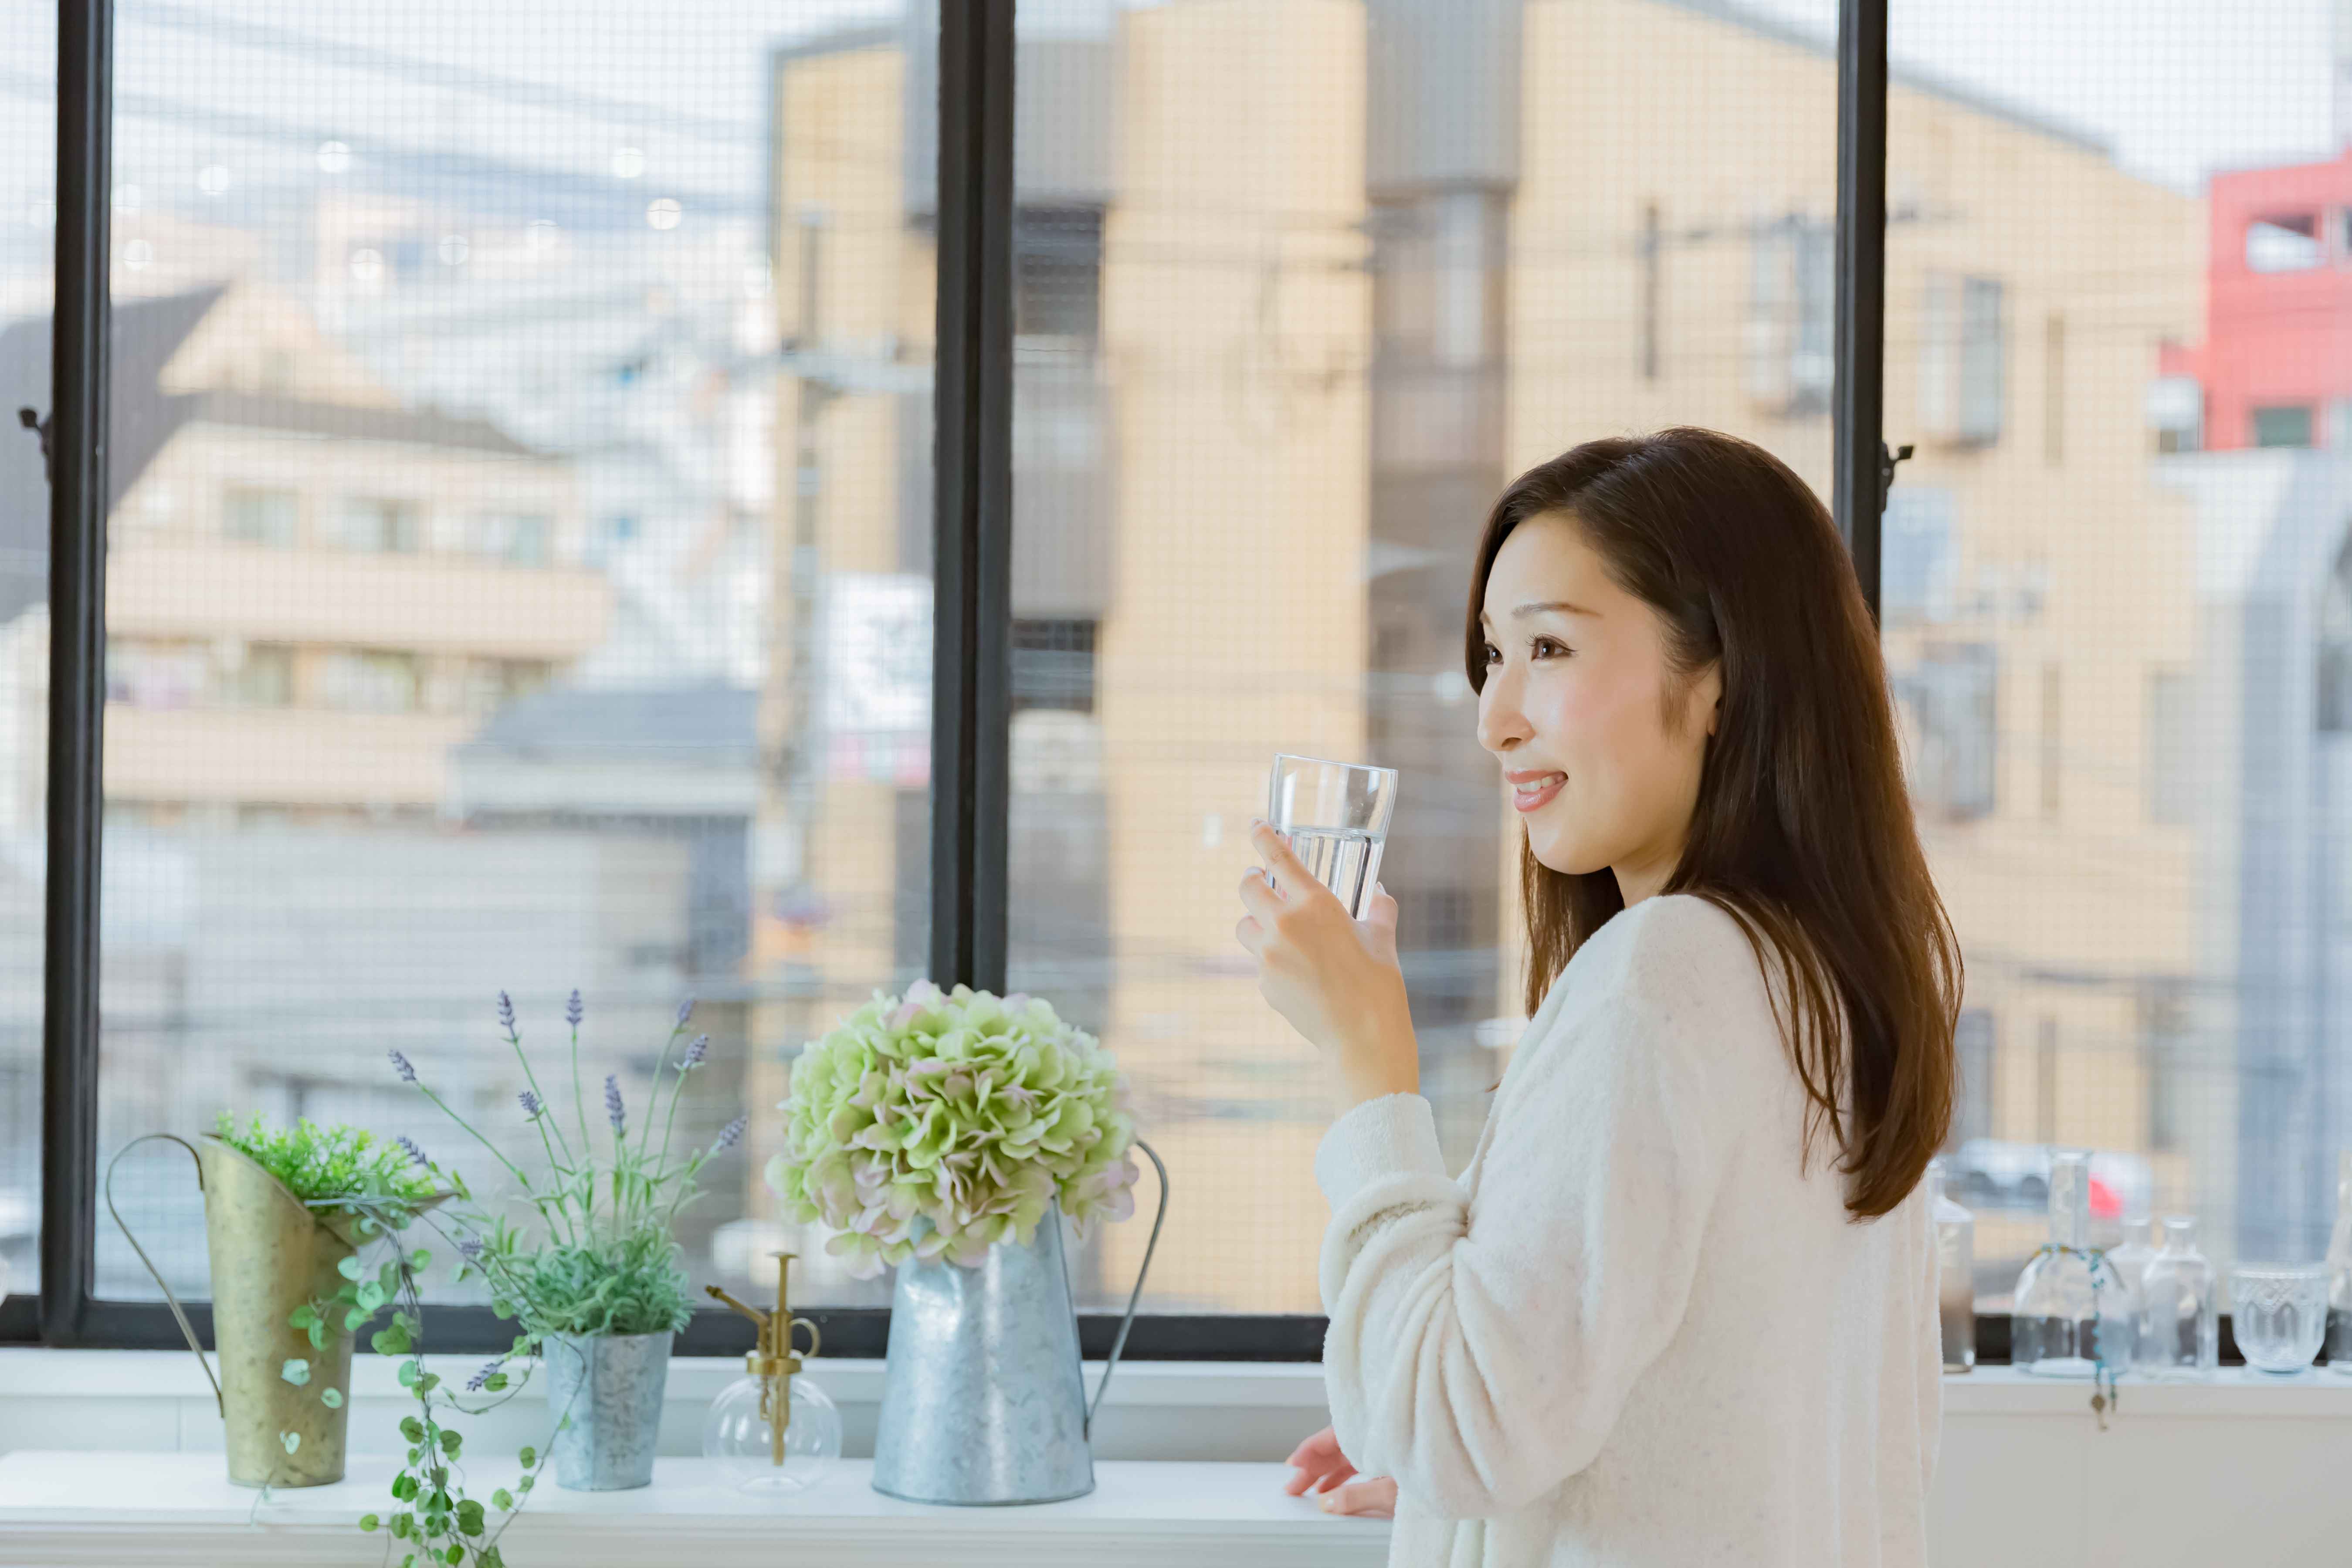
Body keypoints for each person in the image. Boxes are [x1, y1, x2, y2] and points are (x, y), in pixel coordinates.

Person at [1235, 428, 1959, 1566]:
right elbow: (1743, 1410)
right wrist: (1451, 1480)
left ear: (1718, 681)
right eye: (1493, 655)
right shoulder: (1830, 985)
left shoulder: (1660, 975)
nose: (1495, 716)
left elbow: (1462, 1431)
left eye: (1551, 648)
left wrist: (1368, 1066)